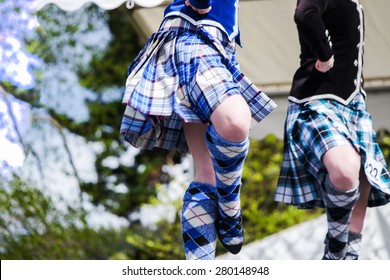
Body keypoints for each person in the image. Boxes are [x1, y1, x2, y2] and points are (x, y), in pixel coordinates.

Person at [120, 0, 277, 260]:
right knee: (236, 121)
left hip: (212, 43)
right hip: (194, 33)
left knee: (206, 173)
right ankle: (229, 208)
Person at [274, 0, 390, 260]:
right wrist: (325, 56)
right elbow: (305, 13)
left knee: (363, 177)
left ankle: (346, 260)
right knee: (346, 169)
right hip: (319, 100)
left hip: (354, 106)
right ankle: (334, 255)